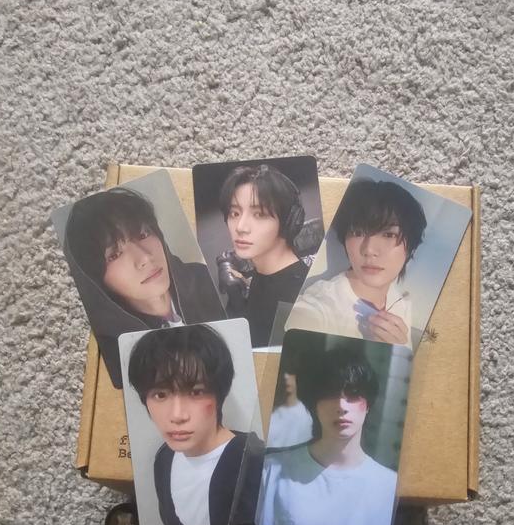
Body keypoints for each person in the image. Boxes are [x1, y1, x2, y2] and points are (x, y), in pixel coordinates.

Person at [64, 187, 225, 387]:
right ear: (95, 279)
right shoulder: (109, 355)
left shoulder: (207, 278)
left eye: (142, 234)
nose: (145, 258)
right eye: (114, 254)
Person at [255, 341, 397, 525]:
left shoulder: (390, 486)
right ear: (314, 404)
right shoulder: (271, 471)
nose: (341, 406)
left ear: (368, 404)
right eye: (330, 394)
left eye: (353, 394)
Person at [128, 324, 264, 525]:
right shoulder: (164, 459)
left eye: (196, 392)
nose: (177, 415)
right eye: (160, 395)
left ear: (219, 394)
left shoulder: (256, 462)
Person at [286, 178, 427, 349]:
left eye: (389, 235)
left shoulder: (401, 304)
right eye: (357, 232)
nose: (369, 250)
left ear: (410, 247)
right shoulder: (320, 306)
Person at [218, 164, 309, 347]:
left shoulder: (298, 300)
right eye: (234, 213)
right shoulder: (264, 274)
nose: (240, 227)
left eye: (259, 214)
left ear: (289, 221)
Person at [266, 349, 313, 449]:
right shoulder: (270, 412)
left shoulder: (307, 414)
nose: (286, 377)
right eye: (282, 372)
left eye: (291, 372)